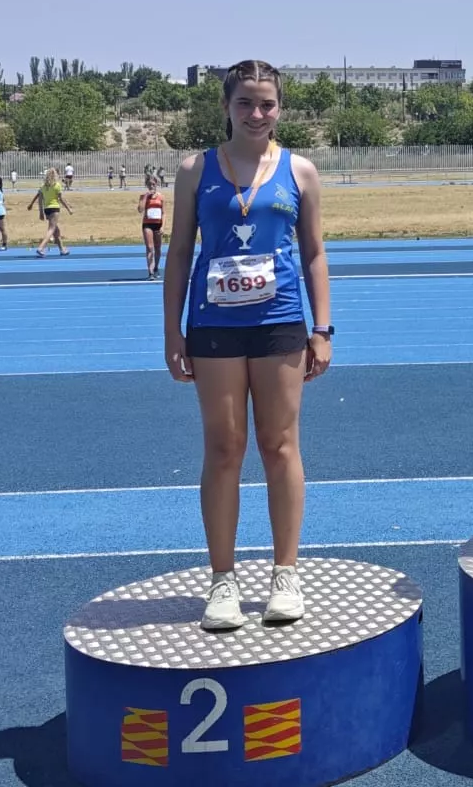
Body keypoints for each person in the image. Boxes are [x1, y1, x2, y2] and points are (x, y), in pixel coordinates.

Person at [162, 59, 333, 632]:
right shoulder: (194, 170)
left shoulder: (300, 171)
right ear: (225, 107)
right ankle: (223, 581)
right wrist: (173, 330)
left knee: (279, 444)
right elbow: (180, 254)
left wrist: (323, 328)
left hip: (281, 320)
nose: (256, 114)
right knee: (224, 448)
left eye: (267, 104)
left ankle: (286, 573)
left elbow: (313, 253)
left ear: (279, 108)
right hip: (213, 326)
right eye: (245, 104)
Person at [28, 167, 71, 257]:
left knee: (56, 230)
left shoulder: (43, 187)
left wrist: (40, 212)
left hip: (47, 209)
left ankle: (62, 249)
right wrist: (68, 209)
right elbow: (61, 198)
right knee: (51, 229)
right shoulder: (57, 185)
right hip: (54, 208)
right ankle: (41, 248)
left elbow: (40, 200)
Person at [139, 174, 167, 280]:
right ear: (147, 185)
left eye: (153, 184)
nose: (151, 186)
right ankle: (150, 272)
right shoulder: (143, 196)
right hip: (147, 224)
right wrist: (146, 197)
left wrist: (163, 227)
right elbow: (140, 210)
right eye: (149, 184)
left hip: (158, 224)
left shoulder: (161, 197)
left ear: (157, 185)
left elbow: (164, 213)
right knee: (150, 248)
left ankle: (156, 267)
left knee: (158, 248)